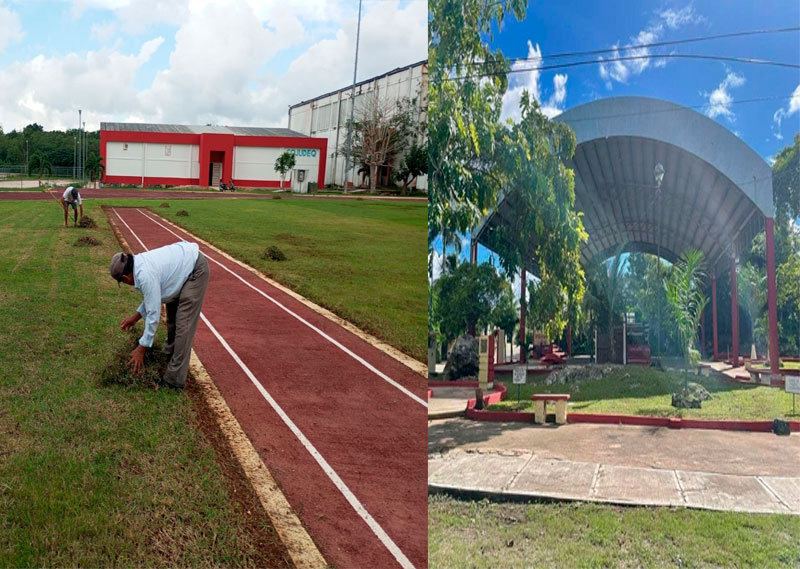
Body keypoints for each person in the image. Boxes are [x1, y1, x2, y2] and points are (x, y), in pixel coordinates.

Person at [109, 240, 209, 388]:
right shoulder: (139, 264)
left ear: (125, 278)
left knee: (183, 327)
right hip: (180, 270)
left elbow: (153, 314)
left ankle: (174, 381)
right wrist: (135, 317)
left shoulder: (144, 274)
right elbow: (153, 298)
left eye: (123, 282)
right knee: (172, 322)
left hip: (194, 270)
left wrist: (141, 348)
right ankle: (168, 359)